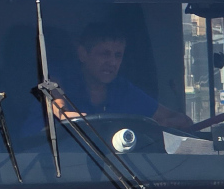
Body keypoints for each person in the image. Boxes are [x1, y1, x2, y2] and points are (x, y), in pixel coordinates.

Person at [50, 21, 194, 130]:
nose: (112, 62)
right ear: (82, 54)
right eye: (104, 54)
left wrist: (154, 126)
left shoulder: (122, 90)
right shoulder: (59, 80)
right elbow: (60, 111)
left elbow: (181, 121)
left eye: (118, 55)